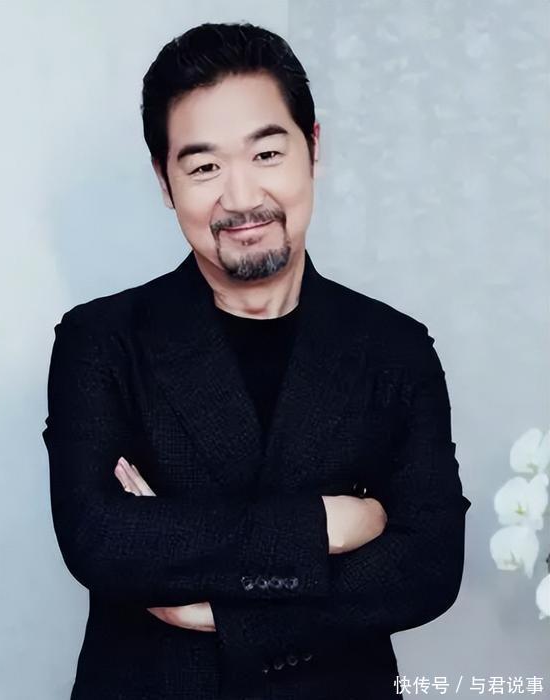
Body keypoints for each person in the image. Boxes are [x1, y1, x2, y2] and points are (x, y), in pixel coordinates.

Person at [42, 22, 471, 700]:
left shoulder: (394, 348)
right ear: (165, 181)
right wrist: (329, 524)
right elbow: (101, 539)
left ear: (313, 148)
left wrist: (224, 610)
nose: (241, 199)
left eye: (267, 153)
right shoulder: (101, 341)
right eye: (204, 167)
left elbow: (427, 566)